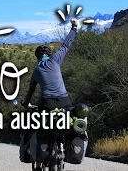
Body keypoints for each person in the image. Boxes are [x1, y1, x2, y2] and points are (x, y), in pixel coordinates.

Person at [21, 18, 78, 171]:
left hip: (46, 104)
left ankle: (38, 165)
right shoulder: (55, 60)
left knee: (39, 129)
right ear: (48, 54)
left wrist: (26, 104)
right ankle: (67, 146)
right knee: (71, 121)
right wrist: (74, 28)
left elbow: (30, 92)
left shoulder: (36, 71)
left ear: (37, 57)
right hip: (64, 101)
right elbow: (66, 44)